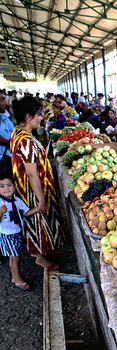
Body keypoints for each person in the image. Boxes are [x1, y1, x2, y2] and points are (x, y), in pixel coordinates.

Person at [10, 96, 64, 270]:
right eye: (39, 115)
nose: (41, 118)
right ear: (28, 116)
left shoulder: (17, 132)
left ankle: (44, 251)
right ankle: (40, 257)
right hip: (32, 189)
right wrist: (40, 198)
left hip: (27, 187)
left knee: (40, 221)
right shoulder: (25, 141)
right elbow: (32, 173)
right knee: (38, 219)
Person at [0, 171, 41, 289]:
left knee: (14, 256)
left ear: (14, 186)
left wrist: (37, 209)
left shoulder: (16, 200)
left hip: (16, 232)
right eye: (2, 186)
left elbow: (25, 213)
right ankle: (17, 280)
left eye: (9, 185)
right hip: (7, 235)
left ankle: (15, 276)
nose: (6, 188)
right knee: (15, 257)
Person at [0, 92, 14, 171]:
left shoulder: (6, 121)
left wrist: (4, 141)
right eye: (2, 100)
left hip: (6, 165)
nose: (6, 103)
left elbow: (15, 142)